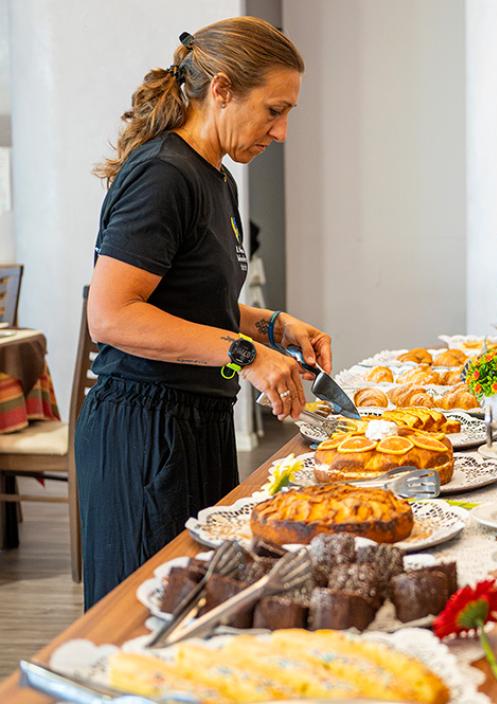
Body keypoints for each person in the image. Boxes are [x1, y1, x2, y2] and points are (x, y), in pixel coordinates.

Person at [77, 17, 327, 608]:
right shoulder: (163, 173)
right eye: (273, 109)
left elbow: (191, 297)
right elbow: (110, 315)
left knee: (196, 608)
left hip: (196, 421)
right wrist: (246, 355)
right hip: (145, 431)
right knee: (143, 623)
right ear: (220, 90)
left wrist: (272, 326)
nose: (282, 131)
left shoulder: (216, 178)